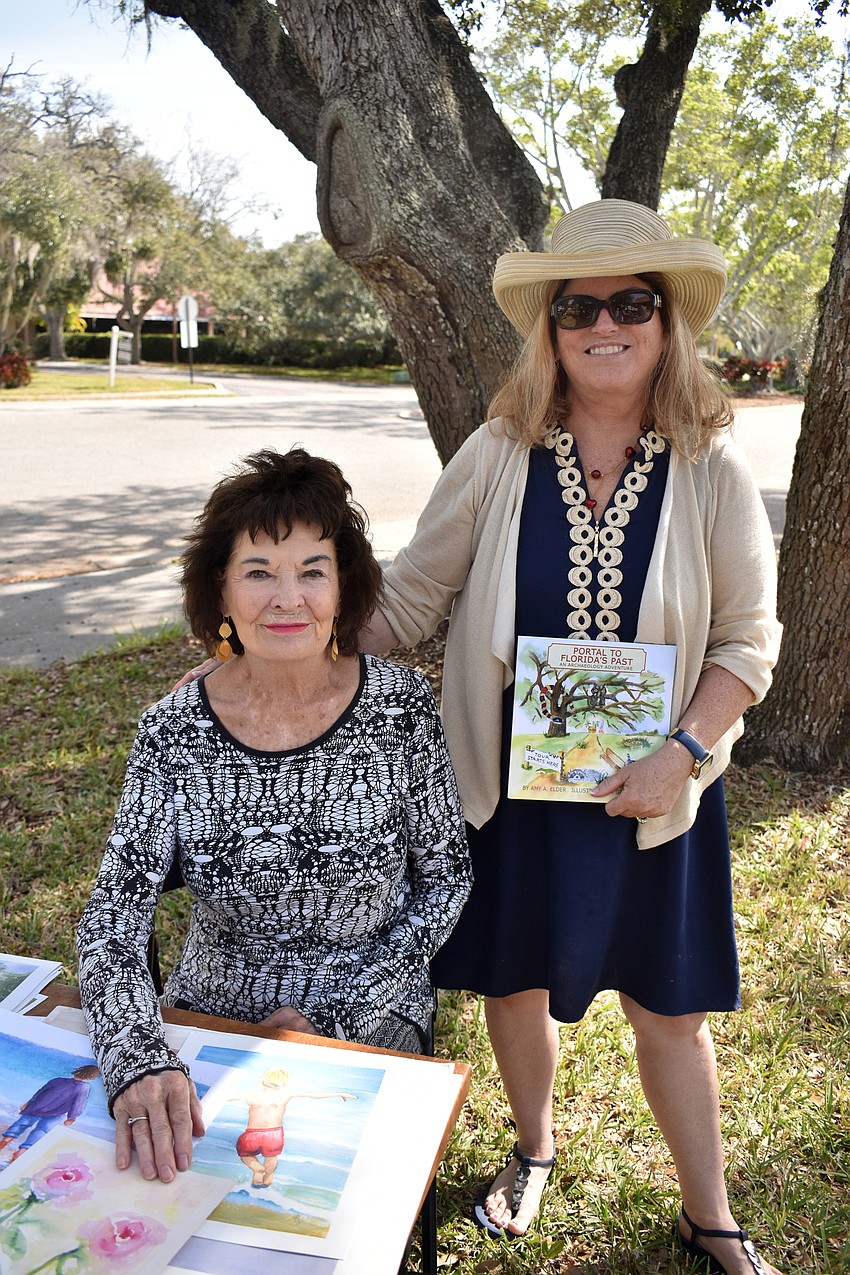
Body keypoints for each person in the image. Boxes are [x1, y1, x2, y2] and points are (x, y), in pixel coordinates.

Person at [360, 200, 783, 1274]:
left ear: (664, 323)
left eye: (630, 303)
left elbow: (748, 641)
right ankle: (534, 1150)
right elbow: (411, 601)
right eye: (577, 306)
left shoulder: (711, 465)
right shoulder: (499, 452)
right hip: (512, 788)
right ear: (548, 329)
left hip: (654, 788)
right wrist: (277, 642)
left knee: (670, 1004)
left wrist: (679, 754)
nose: (604, 323)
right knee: (512, 981)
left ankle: (710, 1213)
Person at [77, 446, 471, 1187]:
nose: (287, 597)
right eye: (258, 571)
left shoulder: (402, 709)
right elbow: (112, 916)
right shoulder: (173, 732)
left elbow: (446, 880)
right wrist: (138, 1058)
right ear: (220, 592)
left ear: (342, 587)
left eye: (311, 570)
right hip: (212, 1019)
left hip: (369, 1011)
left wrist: (334, 1020)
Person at [227, 1066, 357, 1188]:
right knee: (271, 1158)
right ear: (283, 1082)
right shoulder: (285, 1095)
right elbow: (313, 1095)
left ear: (263, 1080)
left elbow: (227, 1098)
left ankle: (256, 1168)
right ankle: (268, 1177)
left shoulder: (251, 1095)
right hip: (274, 1135)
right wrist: (339, 1093)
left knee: (245, 1153)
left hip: (252, 1134)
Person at [0, 1064, 100, 1160]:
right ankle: (21, 1152)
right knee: (42, 1130)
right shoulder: (84, 1087)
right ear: (90, 1076)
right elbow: (79, 1103)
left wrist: (28, 1103)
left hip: (37, 1107)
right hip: (56, 1112)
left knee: (21, 1124)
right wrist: (71, 1117)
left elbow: (41, 1092)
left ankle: (3, 1143)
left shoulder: (57, 1080)